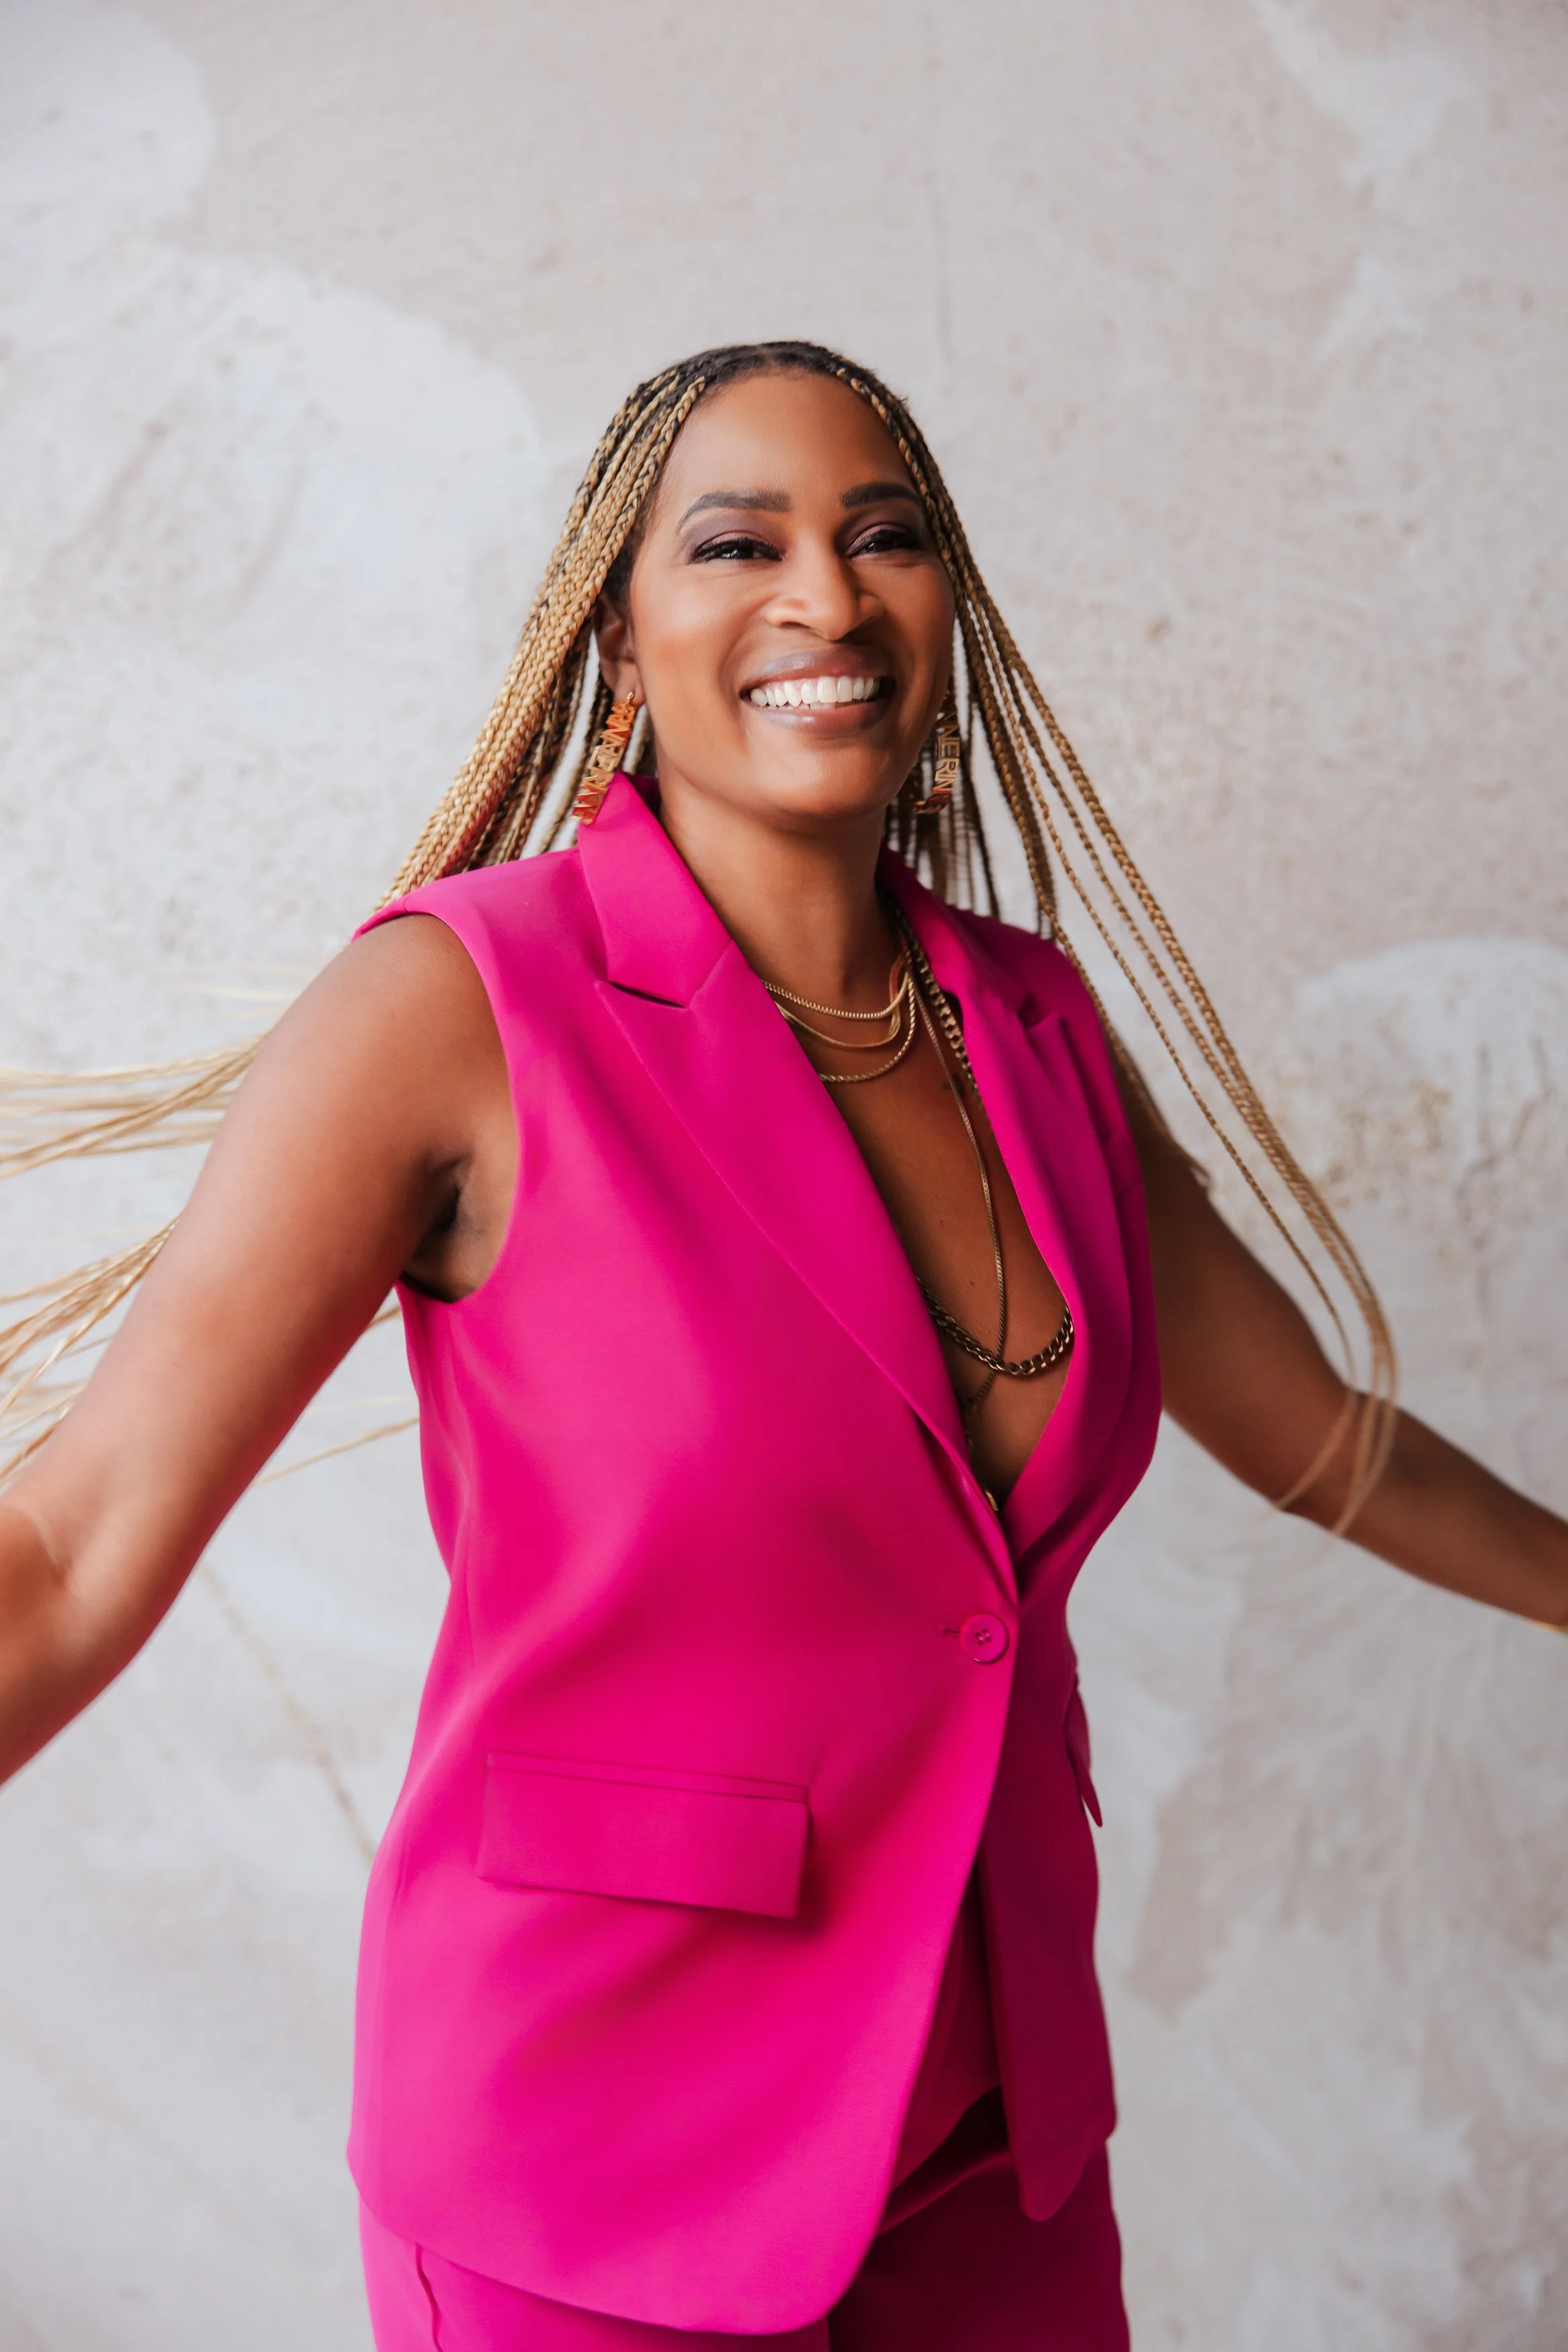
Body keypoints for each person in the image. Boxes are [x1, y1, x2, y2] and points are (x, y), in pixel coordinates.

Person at [1, 341, 1563, 2351]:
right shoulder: (458, 1008)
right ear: (620, 640)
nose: (823, 595)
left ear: (943, 617)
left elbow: (1326, 1441)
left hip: (992, 2153)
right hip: (587, 2152)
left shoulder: (1037, 1030)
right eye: (737, 542)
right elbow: (72, 1540)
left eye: (883, 535)